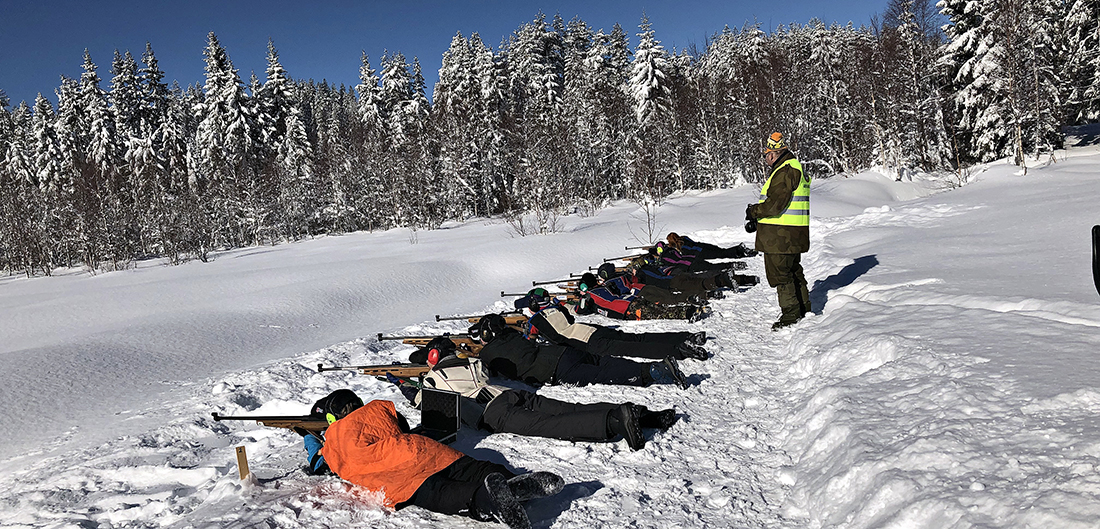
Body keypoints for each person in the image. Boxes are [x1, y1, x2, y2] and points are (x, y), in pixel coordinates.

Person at [301, 389, 564, 529]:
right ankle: (516, 482)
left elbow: (317, 465)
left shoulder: (333, 441)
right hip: (423, 451)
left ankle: (489, 502)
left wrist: (309, 437)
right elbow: (401, 427)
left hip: (404, 480)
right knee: (475, 468)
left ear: (331, 418)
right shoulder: (377, 410)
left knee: (449, 494)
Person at [389, 339, 678, 451]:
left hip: (494, 412)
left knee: (552, 426)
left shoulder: (434, 376)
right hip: (510, 394)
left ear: (434, 357)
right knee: (570, 409)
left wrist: (405, 388)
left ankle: (616, 421)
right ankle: (644, 415)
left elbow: (428, 402)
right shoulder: (471, 362)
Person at [469, 314, 689, 389]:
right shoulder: (512, 336)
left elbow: (490, 373)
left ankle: (652, 371)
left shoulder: (488, 355)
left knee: (604, 375)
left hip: (556, 369)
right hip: (561, 352)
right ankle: (654, 365)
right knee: (605, 363)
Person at [514, 287, 709, 360]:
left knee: (633, 349)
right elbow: (570, 319)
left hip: (588, 342)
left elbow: (530, 340)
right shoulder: (558, 308)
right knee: (637, 339)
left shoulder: (535, 320)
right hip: (593, 330)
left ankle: (682, 350)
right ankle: (686, 336)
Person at [745, 132, 811, 330]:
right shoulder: (793, 168)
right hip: (791, 234)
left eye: (766, 155)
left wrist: (754, 211)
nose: (766, 159)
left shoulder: (785, 171)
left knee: (781, 275)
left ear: (773, 154)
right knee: (793, 272)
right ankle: (803, 308)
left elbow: (775, 205)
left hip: (781, 237)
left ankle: (791, 315)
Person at [574, 272, 704, 321]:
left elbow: (579, 310)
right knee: (661, 307)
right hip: (632, 300)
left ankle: (689, 312)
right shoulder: (604, 286)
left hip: (626, 310)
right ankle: (691, 307)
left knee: (661, 313)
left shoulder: (588, 296)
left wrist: (582, 296)